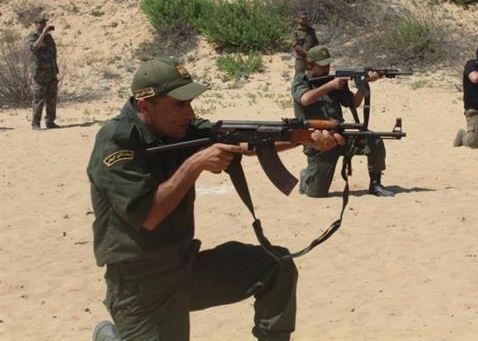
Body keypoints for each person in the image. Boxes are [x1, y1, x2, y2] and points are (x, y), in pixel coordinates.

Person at [87, 57, 343, 341]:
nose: (189, 112)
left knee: (277, 266)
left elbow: (246, 143)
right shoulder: (117, 141)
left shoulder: (181, 128)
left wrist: (303, 138)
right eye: (179, 104)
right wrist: (195, 164)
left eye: (190, 103)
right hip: (141, 286)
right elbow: (148, 215)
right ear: (145, 105)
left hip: (185, 266)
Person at [291, 45, 395, 198]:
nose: (327, 69)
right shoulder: (302, 81)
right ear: (310, 66)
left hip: (340, 135)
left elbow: (354, 103)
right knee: (316, 193)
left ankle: (375, 184)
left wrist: (364, 84)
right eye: (322, 66)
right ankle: (306, 177)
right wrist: (330, 86)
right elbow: (305, 99)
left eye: (328, 65)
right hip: (318, 142)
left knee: (374, 141)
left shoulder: (334, 82)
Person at [27, 15, 59, 130]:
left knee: (52, 98)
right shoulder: (33, 36)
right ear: (35, 24)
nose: (44, 25)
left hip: (51, 71)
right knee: (39, 99)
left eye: (44, 23)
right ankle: (35, 123)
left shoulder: (49, 37)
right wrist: (43, 34)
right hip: (40, 73)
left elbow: (53, 53)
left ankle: (50, 121)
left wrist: (55, 69)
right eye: (41, 23)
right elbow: (34, 47)